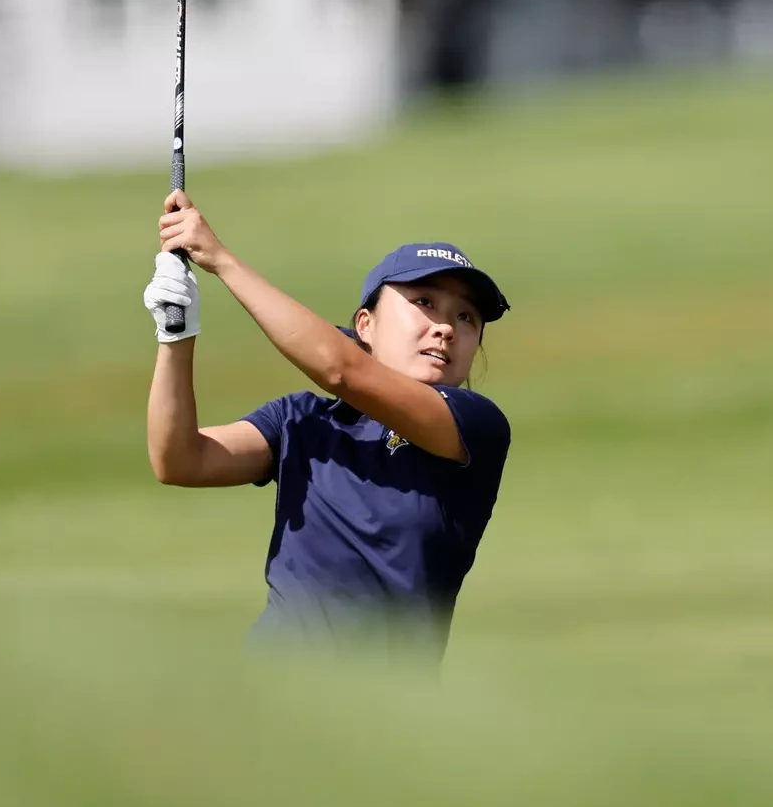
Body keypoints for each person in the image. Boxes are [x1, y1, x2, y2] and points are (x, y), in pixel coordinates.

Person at [141, 189, 512, 655]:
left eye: (466, 317)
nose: (446, 327)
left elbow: (341, 370)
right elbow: (179, 460)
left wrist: (222, 261)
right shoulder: (302, 420)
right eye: (424, 302)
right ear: (366, 324)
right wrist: (176, 335)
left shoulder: (475, 427)